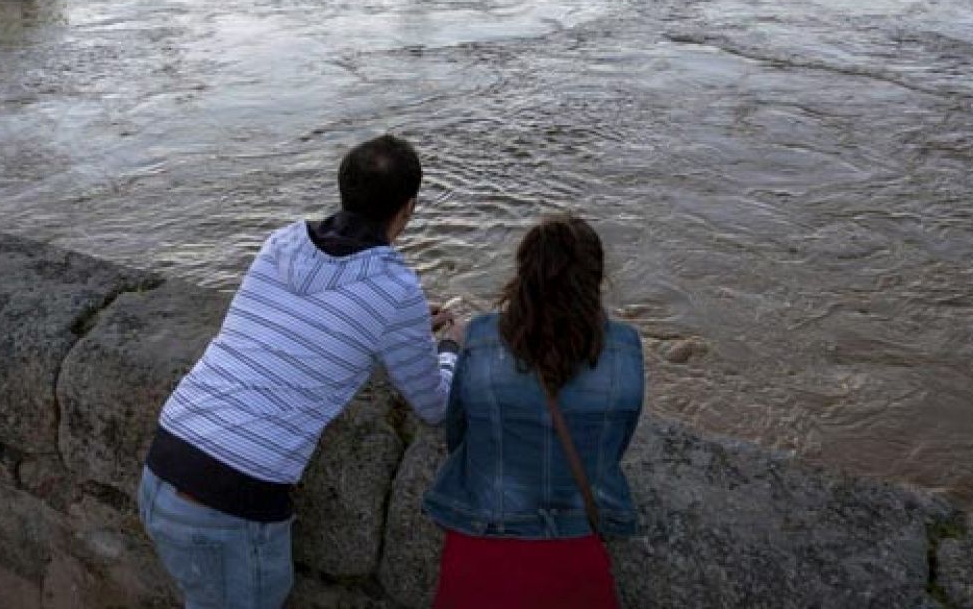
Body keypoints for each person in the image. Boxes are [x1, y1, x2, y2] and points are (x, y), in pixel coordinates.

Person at [138, 134, 465, 609]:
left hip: (163, 463)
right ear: (408, 208)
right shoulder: (395, 289)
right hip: (228, 502)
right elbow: (436, 406)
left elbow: (297, 327)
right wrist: (451, 347)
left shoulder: (283, 242)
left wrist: (405, 328)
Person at [424, 214, 645, 608]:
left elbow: (457, 434)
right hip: (576, 547)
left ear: (524, 274)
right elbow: (616, 444)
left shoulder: (481, 337)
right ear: (595, 280)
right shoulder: (626, 347)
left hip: (480, 537)